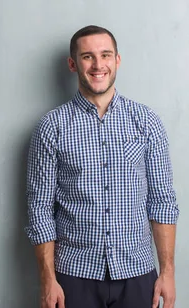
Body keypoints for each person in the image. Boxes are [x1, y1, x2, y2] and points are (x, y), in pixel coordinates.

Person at [24, 25, 180, 308]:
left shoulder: (146, 123)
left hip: (137, 272)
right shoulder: (51, 127)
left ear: (117, 60)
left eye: (105, 55)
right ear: (73, 64)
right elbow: (40, 209)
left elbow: (163, 202)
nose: (98, 65)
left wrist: (167, 272)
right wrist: (48, 280)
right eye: (87, 57)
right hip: (74, 276)